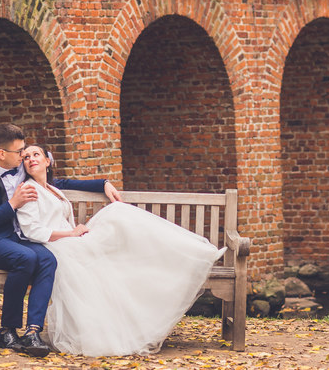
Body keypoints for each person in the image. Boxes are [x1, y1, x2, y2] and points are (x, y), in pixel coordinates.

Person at [16, 144, 225, 356]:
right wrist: (71, 234)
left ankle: (189, 255)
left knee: (118, 215)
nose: (31, 159)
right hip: (59, 245)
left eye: (36, 154)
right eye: (26, 157)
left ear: (47, 161)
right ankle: (188, 257)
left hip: (72, 239)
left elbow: (69, 185)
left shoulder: (52, 187)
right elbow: (32, 230)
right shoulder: (28, 189)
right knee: (116, 217)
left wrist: (104, 184)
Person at [0, 124, 120, 357]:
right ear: (2, 153)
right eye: (19, 152)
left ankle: (32, 331)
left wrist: (102, 183)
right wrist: (12, 205)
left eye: (25, 150)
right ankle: (7, 331)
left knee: (47, 259)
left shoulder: (20, 168)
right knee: (26, 258)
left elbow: (57, 183)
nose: (23, 156)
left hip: (17, 238)